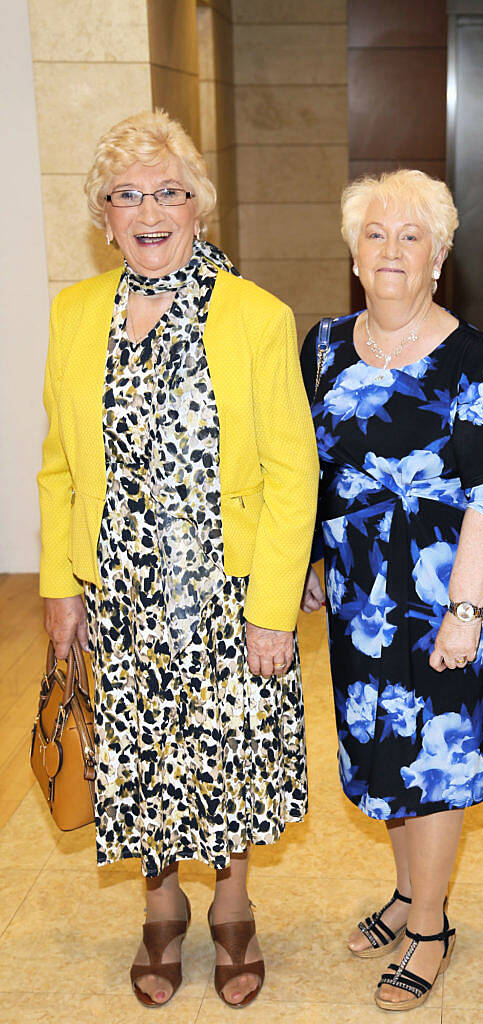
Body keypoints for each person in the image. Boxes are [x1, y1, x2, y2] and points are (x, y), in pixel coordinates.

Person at [38, 110, 318, 1009]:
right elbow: (58, 464)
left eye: (168, 191)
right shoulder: (75, 314)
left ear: (198, 205)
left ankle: (233, 908)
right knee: (140, 758)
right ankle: (160, 911)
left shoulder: (256, 316)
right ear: (104, 217)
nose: (149, 210)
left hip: (225, 596)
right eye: (128, 195)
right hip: (117, 594)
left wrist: (273, 605)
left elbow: (292, 470)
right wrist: (58, 587)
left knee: (231, 759)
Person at [299, 169, 483, 1010]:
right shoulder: (321, 344)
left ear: (439, 256)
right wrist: (313, 560)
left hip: (439, 600)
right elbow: (310, 469)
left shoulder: (476, 360)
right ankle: (404, 896)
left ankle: (431, 926)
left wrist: (466, 613)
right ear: (355, 253)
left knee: (435, 765)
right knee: (384, 757)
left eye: (410, 236)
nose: (391, 250)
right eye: (376, 234)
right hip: (359, 601)